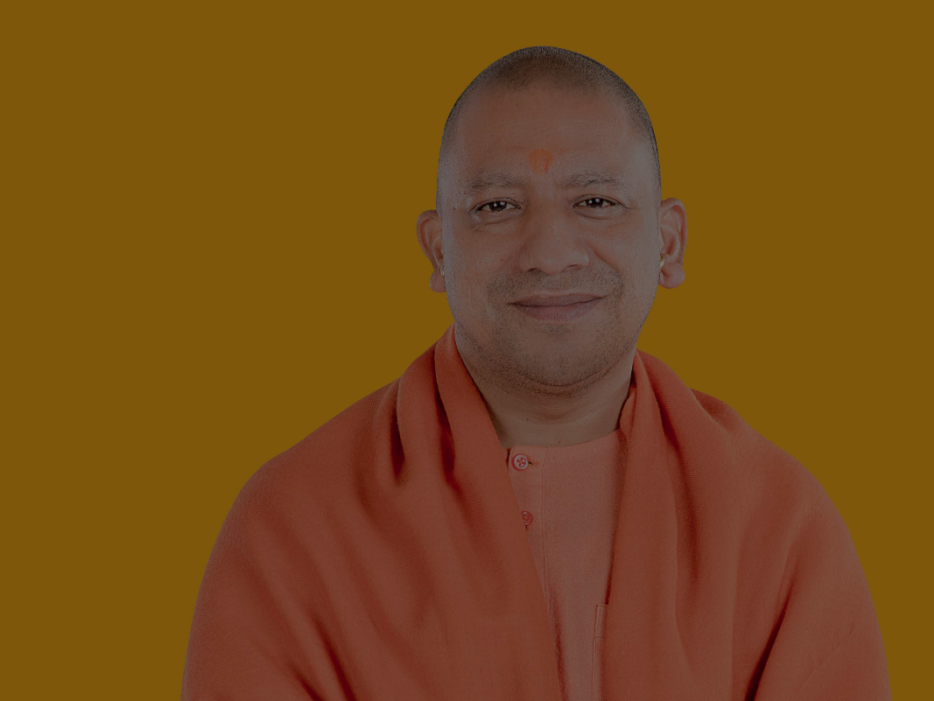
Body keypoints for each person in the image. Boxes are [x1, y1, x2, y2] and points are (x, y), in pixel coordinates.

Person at [182, 46, 891, 701]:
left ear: (669, 242)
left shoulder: (777, 524)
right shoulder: (297, 525)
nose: (550, 252)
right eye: (497, 207)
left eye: (596, 202)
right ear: (438, 249)